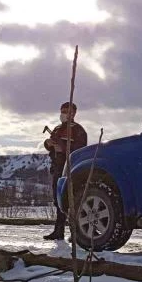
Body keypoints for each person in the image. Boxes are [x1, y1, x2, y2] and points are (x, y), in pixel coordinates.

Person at [43, 102, 87, 241]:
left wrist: (66, 149)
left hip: (70, 169)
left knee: (72, 201)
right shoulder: (56, 129)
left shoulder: (78, 130)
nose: (64, 114)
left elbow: (81, 150)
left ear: (74, 113)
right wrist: (48, 144)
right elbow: (52, 146)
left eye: (67, 111)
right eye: (62, 111)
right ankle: (58, 231)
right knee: (58, 200)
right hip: (57, 167)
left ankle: (77, 233)